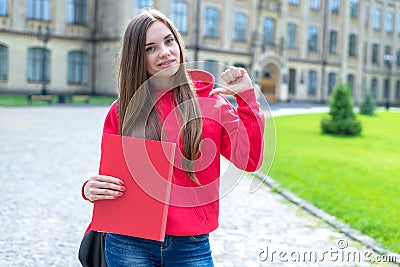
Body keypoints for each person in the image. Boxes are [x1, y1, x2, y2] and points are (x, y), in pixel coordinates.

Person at [81, 9, 265, 267]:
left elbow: (250, 160)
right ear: (137, 58)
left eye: (169, 41)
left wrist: (247, 100)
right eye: (150, 48)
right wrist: (91, 188)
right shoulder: (122, 110)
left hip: (190, 245)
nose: (165, 52)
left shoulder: (212, 104)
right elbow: (112, 179)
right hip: (128, 242)